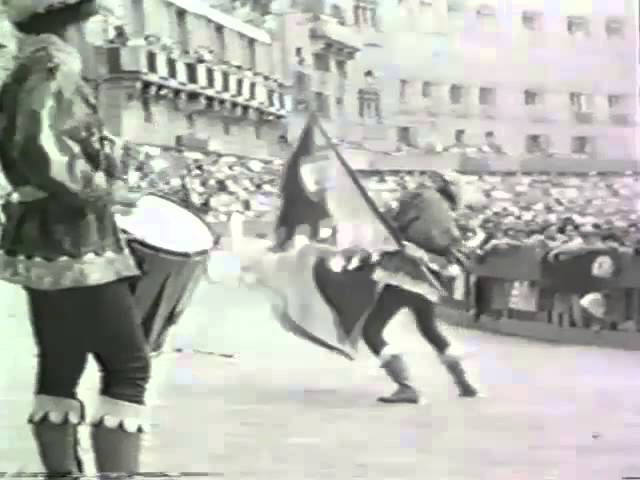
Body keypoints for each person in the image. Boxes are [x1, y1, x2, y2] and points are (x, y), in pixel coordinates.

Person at [1, 1, 150, 476]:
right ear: (73, 23)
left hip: (44, 237)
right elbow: (41, 150)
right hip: (79, 240)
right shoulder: (54, 65)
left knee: (61, 365)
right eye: (95, 23)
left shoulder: (28, 66)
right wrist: (106, 190)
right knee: (129, 366)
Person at [356, 173, 480, 403]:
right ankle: (464, 383)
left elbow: (393, 223)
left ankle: (406, 386)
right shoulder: (445, 213)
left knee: (371, 330)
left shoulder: (422, 199)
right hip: (428, 281)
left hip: (406, 275)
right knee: (429, 330)